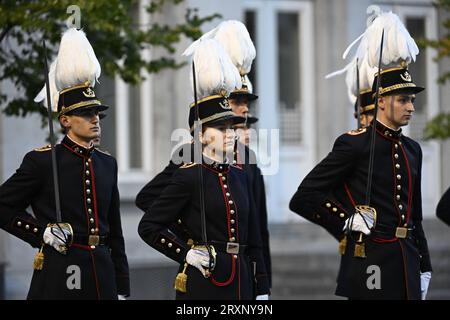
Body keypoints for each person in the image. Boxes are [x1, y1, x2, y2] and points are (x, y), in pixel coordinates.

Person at [290, 10, 432, 299]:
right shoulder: (355, 145)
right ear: (381, 101)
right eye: (403, 99)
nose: (411, 107)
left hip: (406, 257)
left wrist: (424, 264)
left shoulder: (412, 149)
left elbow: (414, 216)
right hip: (372, 258)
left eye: (413, 100)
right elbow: (305, 195)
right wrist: (346, 218)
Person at [136, 20, 272, 288]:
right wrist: (190, 239)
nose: (242, 112)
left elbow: (258, 232)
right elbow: (150, 200)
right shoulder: (190, 155)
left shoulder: (247, 162)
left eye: (245, 105)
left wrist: (262, 284)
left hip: (242, 274)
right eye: (237, 103)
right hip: (208, 274)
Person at [0, 28, 129, 299]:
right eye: (85, 113)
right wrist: (41, 232)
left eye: (96, 112)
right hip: (61, 268)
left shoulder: (107, 164)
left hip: (102, 272)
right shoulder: (42, 161)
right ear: (65, 120)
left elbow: (115, 232)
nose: (94, 119)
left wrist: (121, 286)